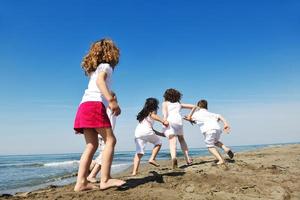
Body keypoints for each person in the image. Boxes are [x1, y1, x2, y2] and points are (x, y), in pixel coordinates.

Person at [73, 38, 125, 191]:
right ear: (111, 53)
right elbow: (100, 83)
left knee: (91, 145)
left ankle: (81, 182)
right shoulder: (106, 67)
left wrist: (111, 96)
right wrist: (111, 100)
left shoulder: (94, 70)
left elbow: (99, 84)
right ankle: (105, 179)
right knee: (111, 140)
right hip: (95, 106)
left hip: (84, 106)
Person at [185, 99, 234, 166]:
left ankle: (221, 160)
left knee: (210, 146)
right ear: (206, 106)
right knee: (215, 142)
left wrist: (186, 118)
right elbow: (220, 116)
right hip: (217, 129)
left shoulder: (196, 114)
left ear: (198, 106)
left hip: (209, 130)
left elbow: (189, 118)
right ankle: (226, 148)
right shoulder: (211, 113)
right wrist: (225, 124)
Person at [132, 98, 169, 176]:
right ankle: (152, 158)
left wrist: (161, 134)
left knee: (139, 153)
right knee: (158, 143)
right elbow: (153, 115)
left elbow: (151, 130)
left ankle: (134, 172)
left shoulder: (143, 114)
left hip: (138, 133)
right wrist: (163, 121)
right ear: (155, 105)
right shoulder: (152, 111)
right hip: (146, 132)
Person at [87, 92, 117, 183]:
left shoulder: (105, 107)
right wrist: (112, 99)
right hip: (104, 135)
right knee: (105, 155)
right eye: (114, 97)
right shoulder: (109, 107)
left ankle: (96, 165)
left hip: (103, 134)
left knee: (104, 154)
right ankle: (92, 175)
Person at [162, 88, 194, 169]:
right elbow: (194, 106)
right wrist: (190, 116)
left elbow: (165, 114)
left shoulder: (165, 103)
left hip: (170, 121)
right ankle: (187, 158)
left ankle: (174, 158)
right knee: (181, 139)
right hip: (179, 121)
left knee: (172, 141)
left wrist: (164, 121)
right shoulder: (179, 104)